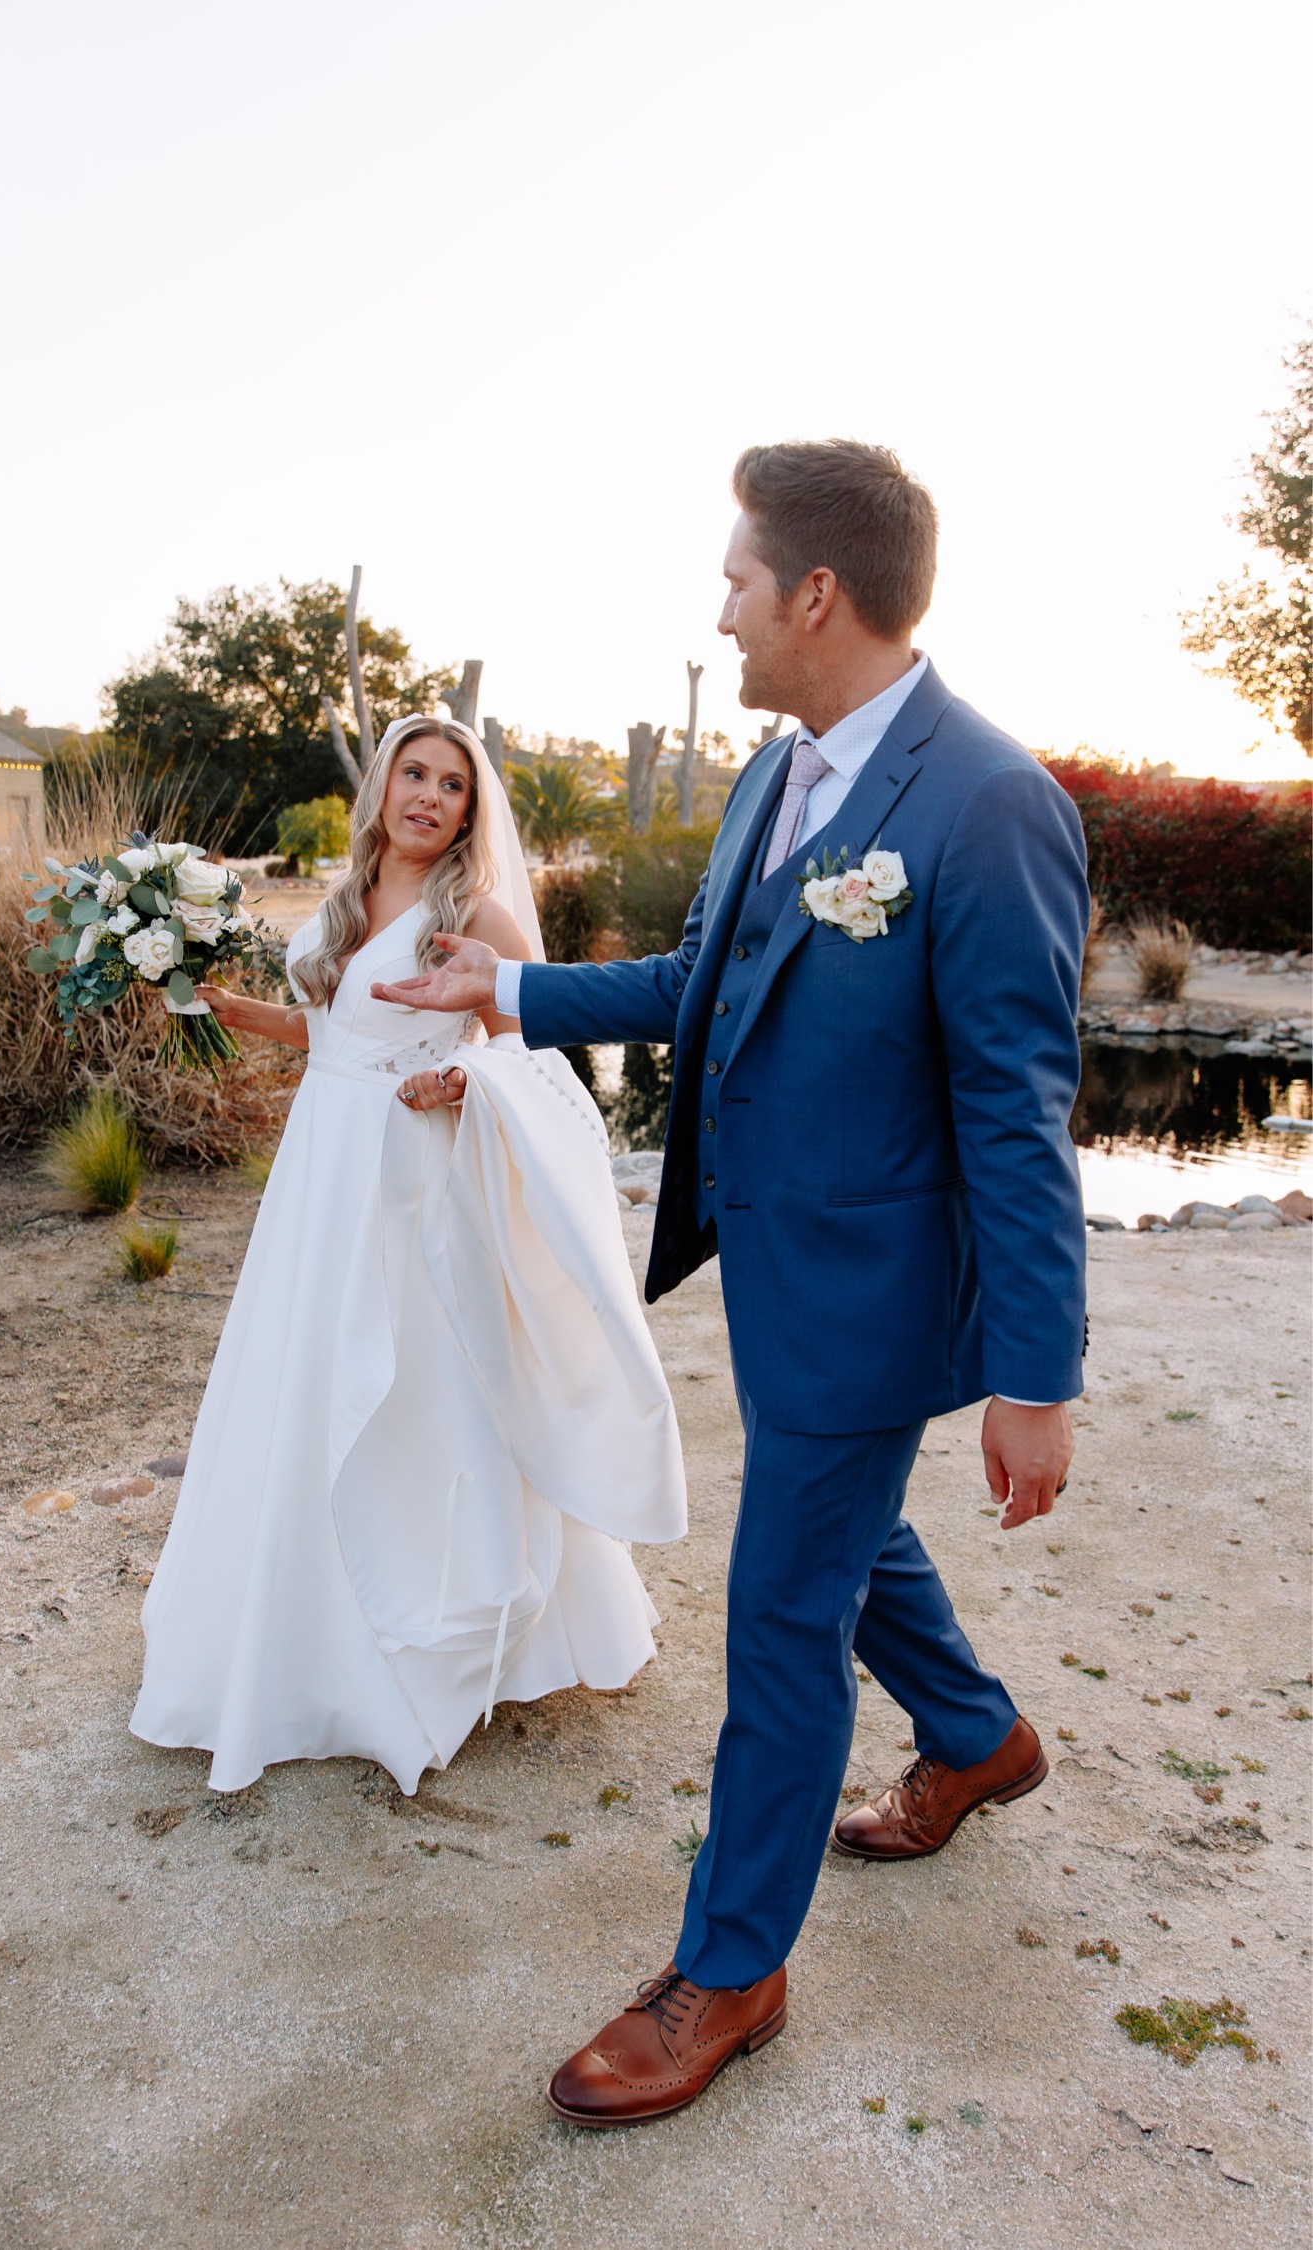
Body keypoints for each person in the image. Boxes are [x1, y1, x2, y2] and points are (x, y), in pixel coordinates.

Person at [374, 441, 1090, 2126]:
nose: (722, 608)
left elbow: (1018, 1109)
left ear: (815, 593)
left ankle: (734, 1965)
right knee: (842, 1533)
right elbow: (715, 978)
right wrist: (521, 995)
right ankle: (979, 1735)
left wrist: (1036, 1376)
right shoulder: (779, 781)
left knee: (782, 1611)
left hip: (877, 1291)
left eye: (736, 582)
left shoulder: (992, 803)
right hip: (770, 1263)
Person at [131, 715, 687, 1799]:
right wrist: (215, 1007)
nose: (429, 796)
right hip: (318, 1172)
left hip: (411, 1174)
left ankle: (429, 1644)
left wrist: (458, 1082)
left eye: (453, 786)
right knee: (298, 1380)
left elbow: (534, 1063)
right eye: (414, 773)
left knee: (413, 1392)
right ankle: (289, 1637)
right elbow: (333, 1033)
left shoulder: (471, 914)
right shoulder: (342, 904)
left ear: (473, 813)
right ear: (381, 784)